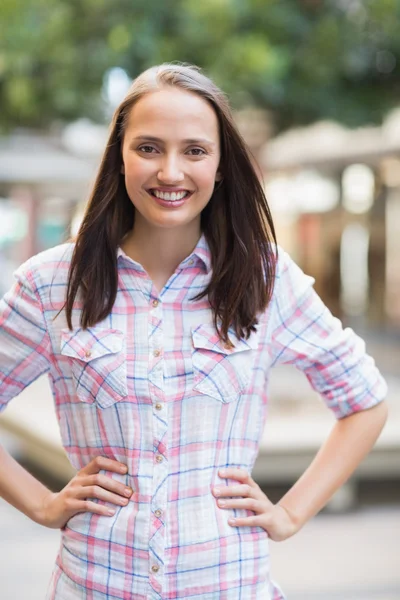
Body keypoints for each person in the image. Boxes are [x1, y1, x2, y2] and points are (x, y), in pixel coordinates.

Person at [0, 63, 388, 600]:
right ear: (119, 158)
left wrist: (291, 513)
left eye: (195, 151)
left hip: (229, 584)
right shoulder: (51, 286)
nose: (171, 172)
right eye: (149, 148)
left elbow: (365, 402)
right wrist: (41, 504)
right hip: (96, 584)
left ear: (222, 166)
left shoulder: (265, 279)